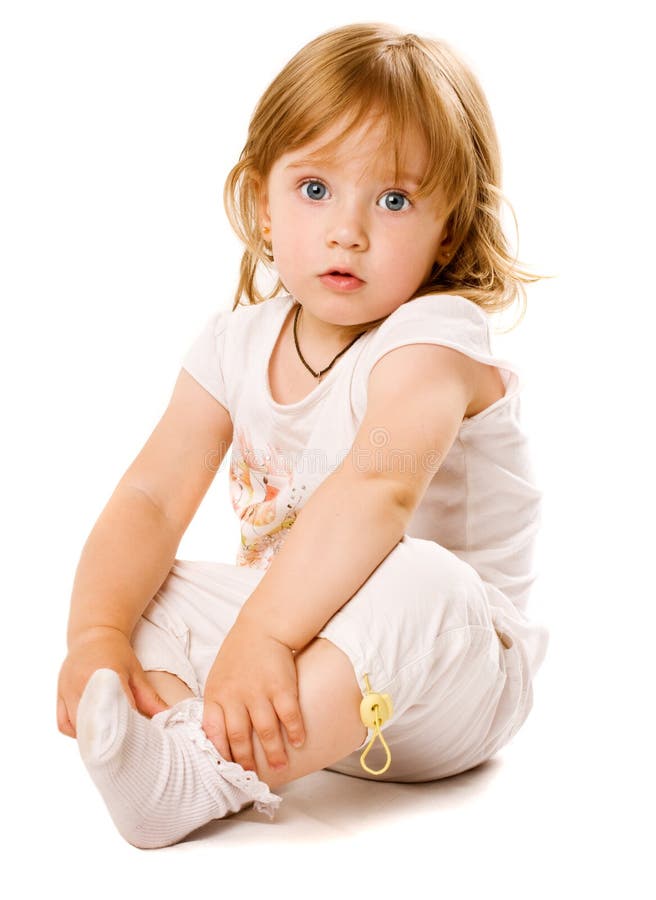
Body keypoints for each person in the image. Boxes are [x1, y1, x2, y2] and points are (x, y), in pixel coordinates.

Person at [56, 22, 550, 850]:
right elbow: (149, 498)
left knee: (427, 579)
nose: (347, 230)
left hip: (447, 677)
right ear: (262, 199)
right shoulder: (234, 343)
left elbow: (379, 483)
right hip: (297, 680)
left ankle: (205, 770)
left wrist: (265, 634)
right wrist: (95, 636)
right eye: (315, 188)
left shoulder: (434, 339)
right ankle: (177, 735)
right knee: (149, 584)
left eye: (394, 201)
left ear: (450, 231)